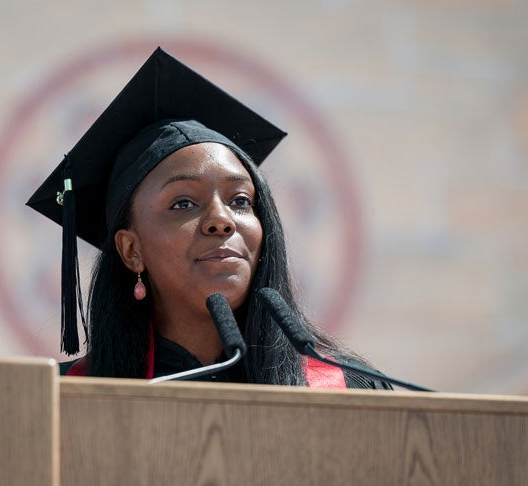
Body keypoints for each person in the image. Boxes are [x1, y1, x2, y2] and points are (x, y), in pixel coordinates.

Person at [27, 48, 390, 390]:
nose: (221, 219)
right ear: (131, 250)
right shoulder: (61, 401)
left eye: (241, 201)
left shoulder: (348, 392)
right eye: (184, 203)